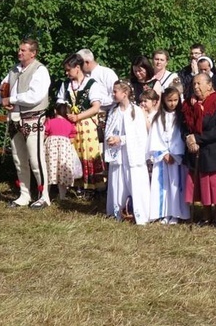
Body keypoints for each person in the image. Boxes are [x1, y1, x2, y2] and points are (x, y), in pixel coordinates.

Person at [0, 38, 51, 209]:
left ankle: (44, 195)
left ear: (33, 53)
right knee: (19, 160)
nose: (19, 53)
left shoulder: (40, 70)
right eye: (19, 50)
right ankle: (25, 194)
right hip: (15, 119)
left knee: (36, 160)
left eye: (23, 50)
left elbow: (35, 95)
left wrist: (11, 99)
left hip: (33, 119)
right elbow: (2, 91)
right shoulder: (14, 70)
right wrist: (2, 99)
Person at [183, 73, 216, 226]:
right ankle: (205, 214)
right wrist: (189, 138)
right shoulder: (190, 105)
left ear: (209, 85)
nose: (196, 87)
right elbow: (185, 125)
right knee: (202, 183)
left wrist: (197, 139)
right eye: (194, 84)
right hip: (196, 150)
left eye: (199, 84)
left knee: (215, 185)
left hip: (213, 150)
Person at [57, 53, 107, 195]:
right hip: (70, 124)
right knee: (72, 153)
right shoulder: (66, 85)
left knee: (88, 152)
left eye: (69, 70)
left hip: (87, 125)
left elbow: (95, 107)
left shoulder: (92, 84)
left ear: (77, 68)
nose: (66, 73)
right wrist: (65, 111)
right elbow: (59, 101)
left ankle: (92, 186)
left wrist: (78, 116)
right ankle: (75, 185)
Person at [104, 80, 150, 223]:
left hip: (132, 153)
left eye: (115, 91)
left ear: (124, 94)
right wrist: (110, 138)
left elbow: (140, 135)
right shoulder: (113, 111)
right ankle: (118, 211)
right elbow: (108, 130)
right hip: (118, 154)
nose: (113, 94)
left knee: (134, 180)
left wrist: (122, 139)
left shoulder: (135, 111)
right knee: (118, 181)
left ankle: (139, 212)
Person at [148, 86, 190, 224]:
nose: (172, 103)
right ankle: (163, 212)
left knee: (176, 185)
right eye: (169, 100)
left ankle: (176, 213)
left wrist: (175, 154)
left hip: (176, 157)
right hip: (163, 158)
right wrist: (163, 153)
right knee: (163, 185)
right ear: (164, 100)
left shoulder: (181, 116)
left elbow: (180, 136)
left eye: (175, 100)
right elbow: (154, 136)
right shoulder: (157, 117)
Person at [44, 103, 79, 201]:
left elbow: (45, 134)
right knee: (62, 171)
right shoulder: (70, 124)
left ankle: (44, 195)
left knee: (48, 169)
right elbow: (72, 139)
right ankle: (62, 196)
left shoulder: (50, 122)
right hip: (64, 149)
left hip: (51, 149)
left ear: (55, 111)